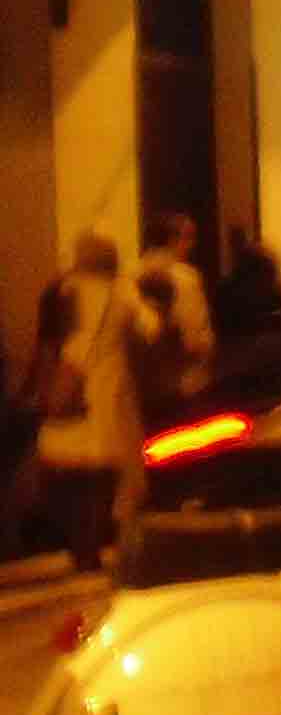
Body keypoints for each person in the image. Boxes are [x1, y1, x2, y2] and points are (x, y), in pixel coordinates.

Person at [31, 234, 145, 569]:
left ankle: (84, 548)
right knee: (103, 476)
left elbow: (59, 343)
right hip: (106, 396)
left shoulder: (66, 290)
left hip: (73, 397)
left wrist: (48, 389)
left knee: (74, 475)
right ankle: (99, 546)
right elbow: (150, 331)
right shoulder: (121, 293)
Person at [128, 212, 216, 426]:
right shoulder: (185, 278)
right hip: (183, 381)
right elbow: (193, 332)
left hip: (141, 384)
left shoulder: (128, 275)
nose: (192, 245)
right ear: (174, 239)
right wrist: (207, 346)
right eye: (189, 237)